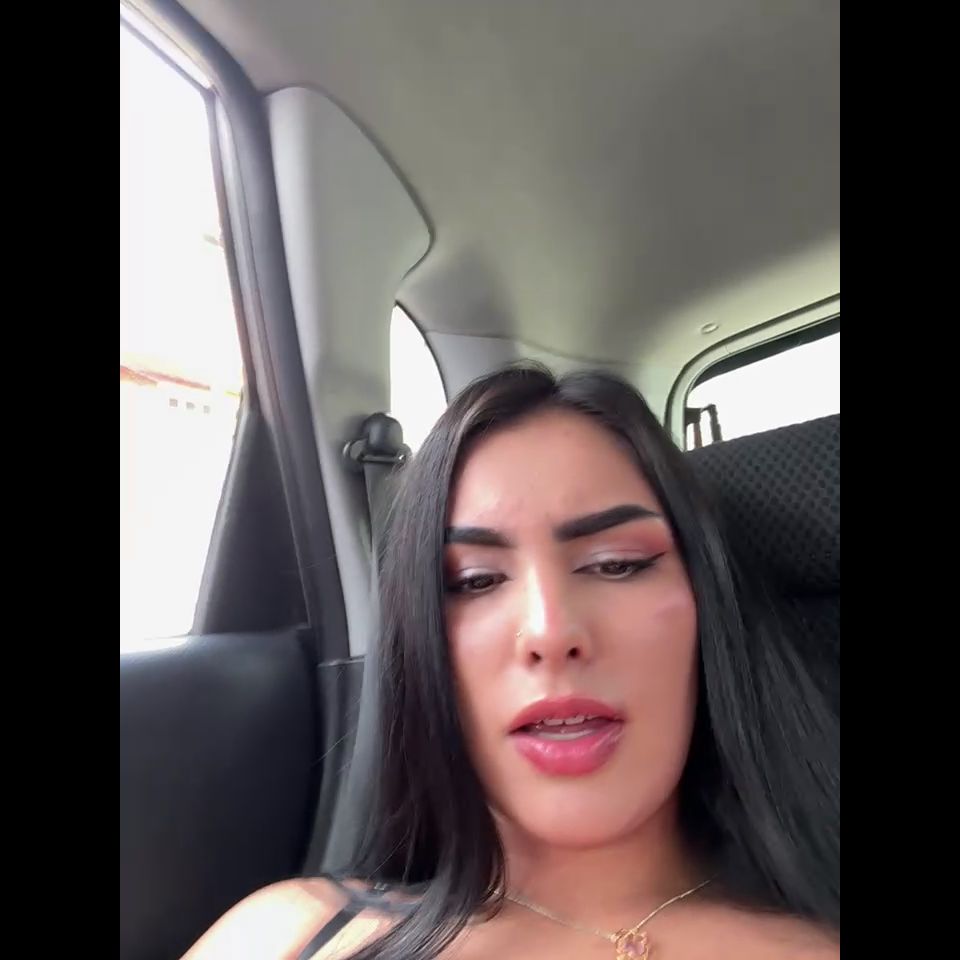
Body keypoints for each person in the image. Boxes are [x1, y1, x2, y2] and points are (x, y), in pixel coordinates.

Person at [184, 364, 840, 959]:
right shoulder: (289, 935)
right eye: (474, 581)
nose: (550, 633)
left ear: (707, 605)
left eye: (616, 565)